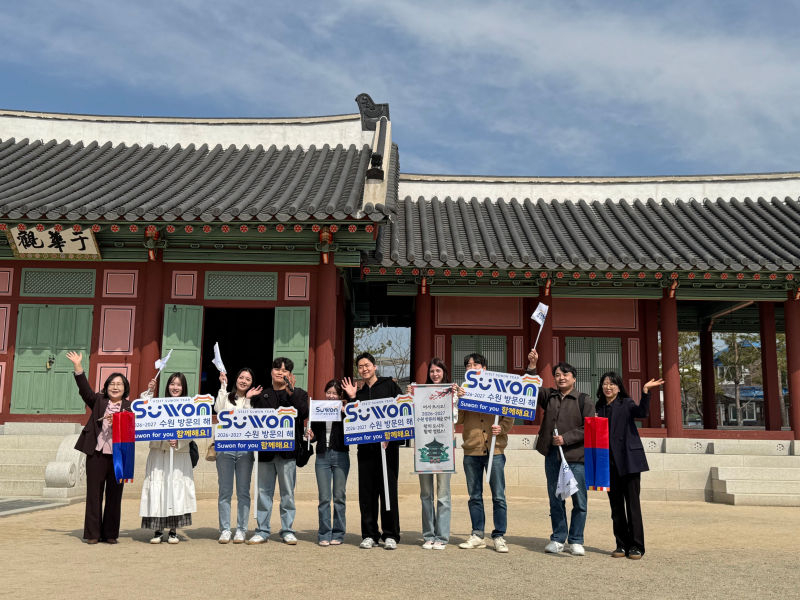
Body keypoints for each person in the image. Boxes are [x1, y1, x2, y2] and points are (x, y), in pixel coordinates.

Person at [528, 349, 596, 556]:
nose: (561, 378)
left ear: (574, 378)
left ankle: (576, 539)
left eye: (565, 374)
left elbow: (589, 428)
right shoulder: (549, 396)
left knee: (579, 500)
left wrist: (566, 438)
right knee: (555, 498)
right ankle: (558, 538)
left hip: (576, 457)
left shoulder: (584, 400)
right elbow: (530, 388)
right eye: (557, 375)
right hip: (552, 456)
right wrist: (532, 367)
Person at [67, 350, 132, 545]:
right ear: (106, 387)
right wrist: (78, 366)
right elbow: (85, 390)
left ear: (125, 388)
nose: (115, 387)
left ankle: (110, 533)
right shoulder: (98, 401)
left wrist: (120, 420)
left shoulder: (130, 407)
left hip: (119, 456)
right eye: (112, 384)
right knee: (94, 494)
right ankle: (93, 533)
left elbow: (135, 428)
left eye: (119, 384)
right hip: (96, 453)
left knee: (115, 495)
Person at [596, 371, 663, 560]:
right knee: (615, 506)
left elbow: (642, 413)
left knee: (632, 504)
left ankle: (636, 546)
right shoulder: (599, 407)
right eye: (605, 384)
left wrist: (646, 392)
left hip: (629, 461)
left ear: (619, 387)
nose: (608, 387)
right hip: (608, 462)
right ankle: (621, 544)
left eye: (612, 384)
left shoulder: (626, 403)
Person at [342, 352, 403, 550]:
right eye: (360, 367)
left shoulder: (389, 385)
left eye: (367, 365)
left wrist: (391, 436)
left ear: (375, 366)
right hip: (366, 450)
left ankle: (391, 534)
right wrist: (351, 398)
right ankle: (369, 534)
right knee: (367, 493)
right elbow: (352, 421)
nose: (364, 369)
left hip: (388, 448)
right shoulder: (357, 394)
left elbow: (402, 411)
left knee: (388, 491)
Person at [457, 352, 514, 553]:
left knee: (498, 495)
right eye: (468, 365)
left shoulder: (498, 387)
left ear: (485, 368)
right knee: (474, 495)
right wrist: (459, 401)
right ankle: (477, 534)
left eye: (476, 364)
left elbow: (509, 411)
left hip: (495, 450)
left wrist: (503, 429)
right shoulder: (463, 389)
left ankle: (499, 536)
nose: (472, 367)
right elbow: (459, 419)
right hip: (471, 450)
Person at [248, 357, 309, 545]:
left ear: (290, 375)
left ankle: (287, 529)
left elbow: (304, 412)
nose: (280, 372)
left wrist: (290, 391)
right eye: (277, 369)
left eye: (285, 370)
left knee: (287, 493)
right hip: (265, 453)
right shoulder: (261, 395)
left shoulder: (298, 394)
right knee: (263, 492)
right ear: (271, 371)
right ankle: (262, 529)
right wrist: (247, 398)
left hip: (288, 452)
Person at [139, 372, 197, 544]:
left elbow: (194, 428)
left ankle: (173, 530)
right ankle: (157, 530)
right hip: (159, 453)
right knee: (158, 486)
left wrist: (179, 439)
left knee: (175, 489)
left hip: (179, 454)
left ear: (183, 387)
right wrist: (149, 392)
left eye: (179, 384)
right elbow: (143, 409)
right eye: (172, 384)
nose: (175, 387)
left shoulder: (190, 406)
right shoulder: (157, 404)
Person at [408, 358, 458, 550]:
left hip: (445, 444)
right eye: (432, 371)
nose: (435, 374)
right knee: (426, 494)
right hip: (424, 444)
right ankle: (428, 534)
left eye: (438, 371)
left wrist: (456, 395)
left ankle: (442, 536)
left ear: (444, 372)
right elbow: (412, 414)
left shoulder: (451, 393)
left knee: (443, 494)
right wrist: (409, 396)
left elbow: (455, 416)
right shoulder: (420, 393)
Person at [215, 368, 262, 544]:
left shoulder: (255, 400)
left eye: (248, 379)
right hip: (225, 448)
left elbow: (250, 420)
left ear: (252, 383)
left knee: (243, 492)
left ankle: (241, 529)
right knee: (225, 491)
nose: (243, 381)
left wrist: (249, 399)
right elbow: (218, 409)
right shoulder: (226, 396)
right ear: (236, 379)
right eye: (241, 377)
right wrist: (222, 385)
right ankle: (225, 529)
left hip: (245, 450)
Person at [307, 379, 350, 546]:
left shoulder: (346, 411)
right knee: (324, 497)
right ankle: (324, 533)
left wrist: (347, 412)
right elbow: (316, 435)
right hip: (322, 456)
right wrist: (312, 437)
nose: (331, 396)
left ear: (340, 395)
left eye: (335, 393)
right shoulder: (319, 410)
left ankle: (338, 533)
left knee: (339, 496)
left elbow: (356, 427)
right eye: (329, 392)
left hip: (341, 455)